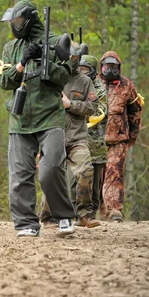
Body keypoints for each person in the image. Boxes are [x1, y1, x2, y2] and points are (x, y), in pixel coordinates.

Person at [0, 0, 76, 237]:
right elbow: (4, 81)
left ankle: (62, 216)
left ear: (30, 19)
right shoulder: (10, 48)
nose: (14, 26)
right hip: (20, 118)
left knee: (50, 169)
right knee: (20, 175)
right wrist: (22, 62)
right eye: (12, 22)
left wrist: (46, 63)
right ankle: (26, 223)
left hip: (49, 115)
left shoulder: (55, 42)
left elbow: (66, 75)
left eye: (18, 22)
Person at [39, 43, 100, 228]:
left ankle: (83, 214)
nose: (72, 62)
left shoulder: (84, 81)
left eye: (75, 59)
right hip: (52, 136)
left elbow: (93, 108)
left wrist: (71, 104)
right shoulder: (50, 77)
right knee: (51, 175)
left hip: (76, 138)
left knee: (85, 170)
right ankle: (48, 217)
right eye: (69, 58)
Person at [99, 51, 142, 222]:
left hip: (118, 140)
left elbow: (135, 112)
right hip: (95, 139)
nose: (109, 69)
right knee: (97, 176)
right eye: (107, 65)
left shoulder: (127, 86)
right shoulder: (92, 83)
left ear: (119, 67)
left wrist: (132, 135)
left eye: (113, 66)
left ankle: (114, 210)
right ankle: (98, 212)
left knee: (114, 173)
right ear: (101, 66)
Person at [79, 55, 108, 220]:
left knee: (95, 184)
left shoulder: (99, 90)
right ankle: (81, 213)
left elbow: (99, 111)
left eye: (85, 70)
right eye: (80, 69)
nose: (82, 73)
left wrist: (78, 107)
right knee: (80, 180)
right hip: (78, 140)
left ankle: (91, 213)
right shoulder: (76, 84)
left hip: (96, 144)